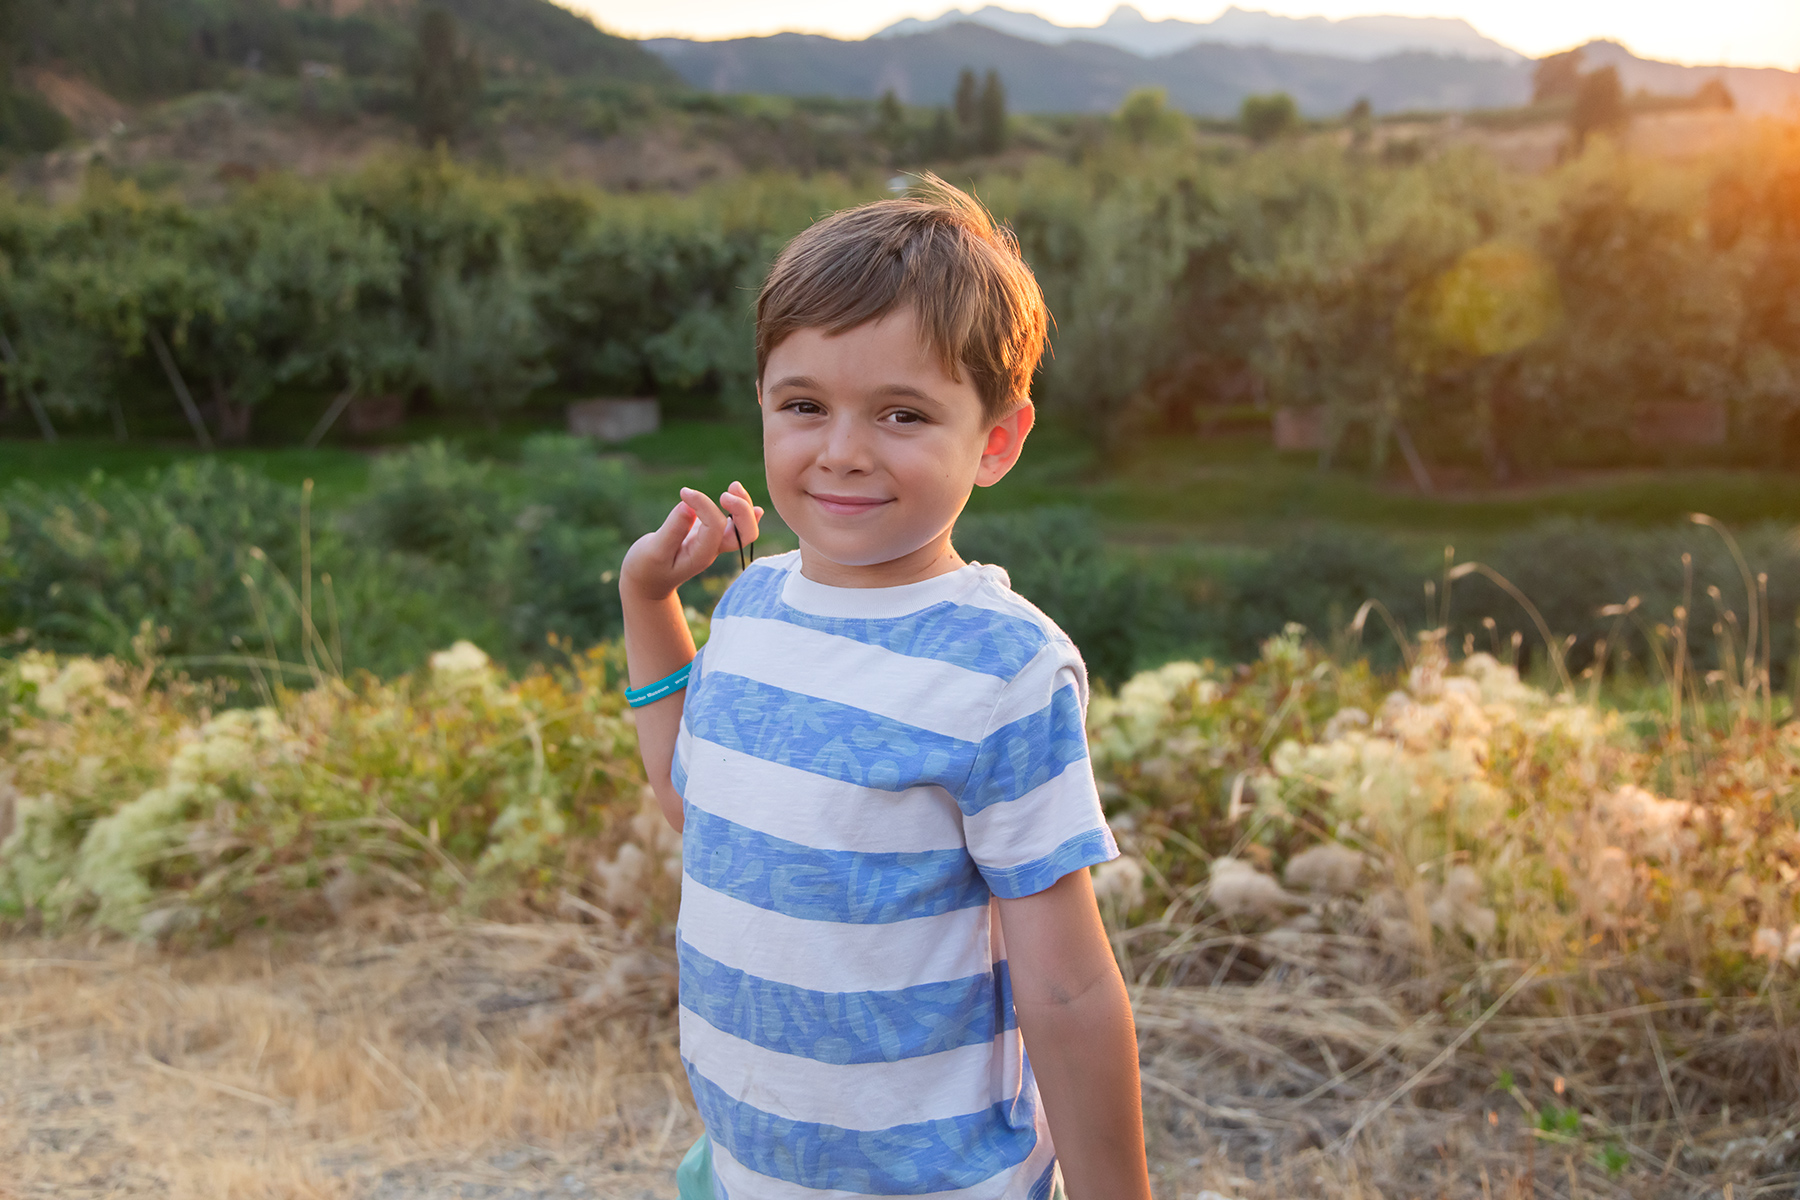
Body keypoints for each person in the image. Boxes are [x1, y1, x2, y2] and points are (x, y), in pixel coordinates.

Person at [619, 175, 1153, 1200]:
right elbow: (700, 802)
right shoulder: (753, 605)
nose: (842, 452)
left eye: (902, 413)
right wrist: (647, 601)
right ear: (763, 404)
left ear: (996, 441)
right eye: (804, 406)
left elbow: (1066, 986)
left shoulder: (1003, 668)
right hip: (744, 1171)